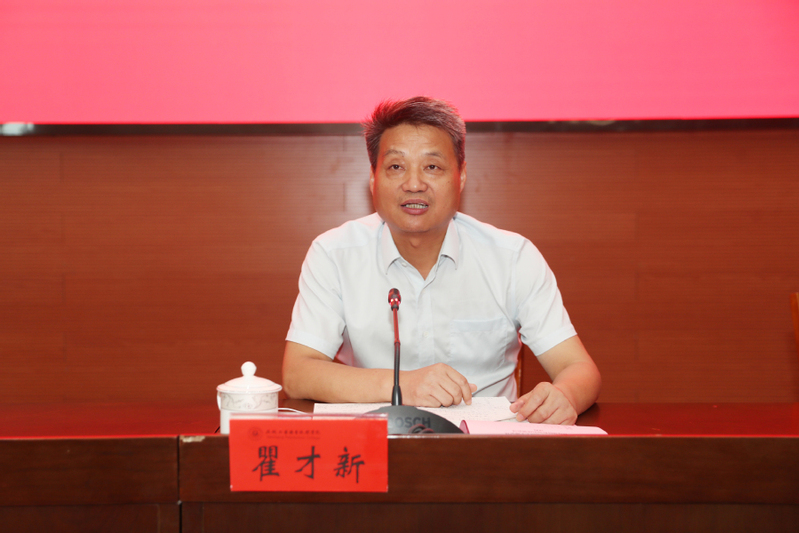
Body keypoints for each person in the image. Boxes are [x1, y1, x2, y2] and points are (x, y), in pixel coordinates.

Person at [282, 96, 600, 425]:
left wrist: (564, 396)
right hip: (380, 442)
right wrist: (402, 386)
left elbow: (578, 368)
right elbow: (297, 373)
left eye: (432, 167)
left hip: (486, 445)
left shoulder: (512, 258)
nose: (414, 184)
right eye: (396, 167)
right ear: (373, 179)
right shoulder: (334, 255)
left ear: (461, 176)